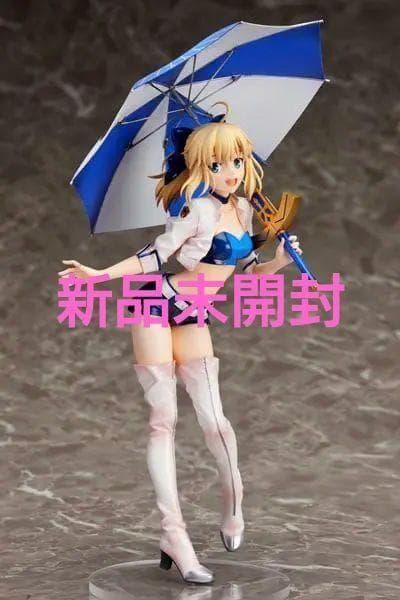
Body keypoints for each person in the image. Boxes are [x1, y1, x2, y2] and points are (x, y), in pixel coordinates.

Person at [58, 117, 302, 585]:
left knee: (216, 421)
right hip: (155, 302)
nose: (230, 172)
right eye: (217, 164)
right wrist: (99, 275)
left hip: (194, 312)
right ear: (200, 167)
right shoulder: (195, 209)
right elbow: (155, 255)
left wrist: (279, 261)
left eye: (237, 161)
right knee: (163, 419)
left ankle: (234, 502)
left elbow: (248, 272)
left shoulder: (244, 209)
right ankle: (174, 535)